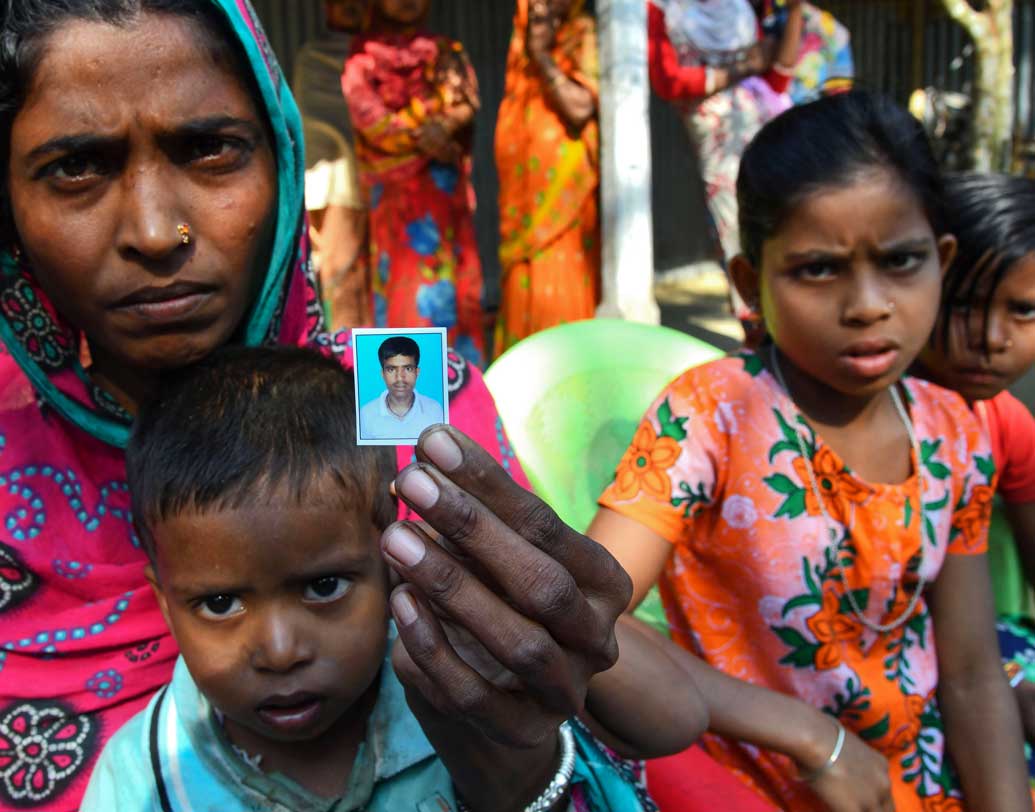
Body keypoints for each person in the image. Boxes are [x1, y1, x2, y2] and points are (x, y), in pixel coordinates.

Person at [0, 3, 634, 810]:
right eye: (76, 168)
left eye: (209, 149)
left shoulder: (409, 412)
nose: (156, 231)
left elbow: (596, 717)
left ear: (284, 156)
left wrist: (521, 768)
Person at [590, 92, 1031, 811]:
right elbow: (584, 616)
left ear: (941, 262)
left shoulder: (955, 432)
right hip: (740, 784)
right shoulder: (709, 415)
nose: (866, 305)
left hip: (912, 787)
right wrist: (808, 737)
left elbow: (974, 671)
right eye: (818, 269)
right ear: (748, 283)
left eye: (900, 262)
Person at [81, 346, 687, 811]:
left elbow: (677, 722)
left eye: (324, 588)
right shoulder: (145, 777)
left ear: (394, 558)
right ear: (164, 605)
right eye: (218, 603)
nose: (280, 650)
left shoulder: (455, 670)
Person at [913, 173, 1035, 771]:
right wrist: (1011, 684)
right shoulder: (857, 417)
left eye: (1024, 310)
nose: (990, 339)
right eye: (963, 305)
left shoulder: (1005, 424)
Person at [343, 0, 486, 366]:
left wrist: (443, 125)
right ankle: (408, 410)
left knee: (455, 296)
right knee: (405, 300)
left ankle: (463, 396)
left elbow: (466, 103)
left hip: (443, 202)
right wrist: (432, 130)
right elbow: (373, 123)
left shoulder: (446, 52)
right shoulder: (361, 62)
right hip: (395, 208)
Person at [648, 0, 802, 323]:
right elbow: (669, 81)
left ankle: (792, 326)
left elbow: (775, 79)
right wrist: (742, 69)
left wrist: (796, 10)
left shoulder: (743, 5)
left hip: (767, 124)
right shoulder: (660, 7)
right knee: (736, 234)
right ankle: (757, 332)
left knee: (787, 228)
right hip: (718, 143)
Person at [494, 0, 600, 355]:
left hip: (564, 205)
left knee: (559, 293)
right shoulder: (518, 50)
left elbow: (580, 107)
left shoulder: (583, 36)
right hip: (523, 207)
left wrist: (541, 55)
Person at [294, 0, 371, 329]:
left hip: (387, 183)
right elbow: (316, 125)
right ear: (326, 7)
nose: (353, 7)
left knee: (377, 281)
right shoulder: (313, 58)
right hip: (335, 183)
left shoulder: (382, 56)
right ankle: (349, 370)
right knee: (343, 279)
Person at [360, 335, 444, 440]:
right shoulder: (366, 414)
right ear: (382, 374)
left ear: (417, 372)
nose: (400, 377)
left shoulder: (434, 410)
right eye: (391, 369)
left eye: (408, 368)